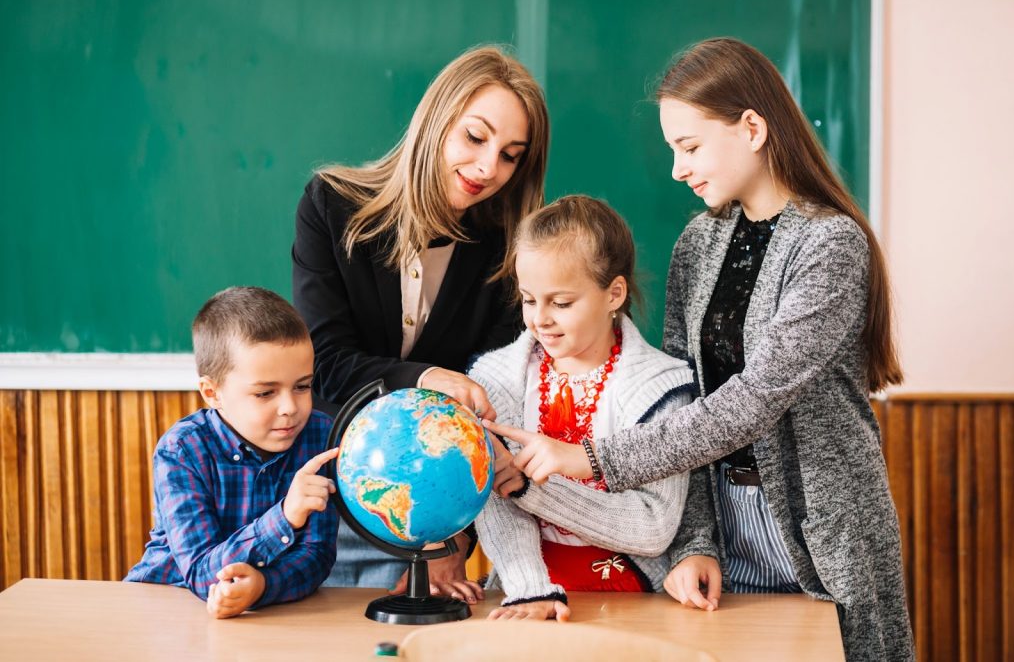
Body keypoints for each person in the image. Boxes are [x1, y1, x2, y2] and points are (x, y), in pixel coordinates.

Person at [485, 38, 914, 660]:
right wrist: (693, 543)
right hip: (724, 518)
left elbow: (752, 402)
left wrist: (591, 458)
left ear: (752, 128)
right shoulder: (699, 242)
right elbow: (684, 399)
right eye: (673, 151)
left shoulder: (830, 245)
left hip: (821, 527)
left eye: (689, 147)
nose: (678, 169)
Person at [291, 45, 550, 594]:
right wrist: (428, 377)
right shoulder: (331, 206)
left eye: (511, 155)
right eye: (475, 137)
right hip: (328, 495)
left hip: (436, 502)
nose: (488, 169)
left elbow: (495, 386)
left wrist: (450, 537)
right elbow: (326, 363)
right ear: (437, 121)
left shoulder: (506, 249)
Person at [469, 195, 696, 621]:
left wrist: (531, 488)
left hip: (632, 594)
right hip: (525, 586)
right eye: (529, 299)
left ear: (614, 293)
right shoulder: (497, 378)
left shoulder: (661, 387)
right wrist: (528, 589)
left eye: (562, 302)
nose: (540, 319)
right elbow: (496, 498)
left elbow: (653, 527)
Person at [125, 286, 340, 619]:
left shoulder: (319, 437)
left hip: (260, 620)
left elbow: (316, 556)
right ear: (213, 392)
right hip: (164, 609)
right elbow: (199, 572)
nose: (290, 408)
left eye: (302, 386)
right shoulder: (182, 450)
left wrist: (263, 586)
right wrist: (284, 517)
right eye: (265, 393)